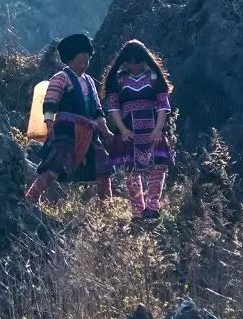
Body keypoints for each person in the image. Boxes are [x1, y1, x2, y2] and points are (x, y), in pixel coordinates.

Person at [23, 33, 114, 203]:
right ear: (69, 60)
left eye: (87, 60)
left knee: (103, 165)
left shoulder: (90, 82)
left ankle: (106, 205)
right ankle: (31, 197)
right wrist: (49, 126)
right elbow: (50, 103)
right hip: (66, 131)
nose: (84, 64)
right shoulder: (61, 78)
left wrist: (106, 131)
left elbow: (97, 111)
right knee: (55, 165)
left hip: (89, 132)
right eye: (81, 60)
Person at [103, 39, 175, 220]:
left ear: (145, 60)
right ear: (124, 62)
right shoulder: (119, 80)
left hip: (153, 130)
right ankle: (137, 210)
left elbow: (162, 106)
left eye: (138, 61)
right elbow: (114, 108)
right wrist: (122, 129)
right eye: (130, 62)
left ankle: (153, 207)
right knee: (131, 170)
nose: (134, 66)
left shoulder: (154, 78)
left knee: (157, 168)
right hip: (129, 131)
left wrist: (158, 129)